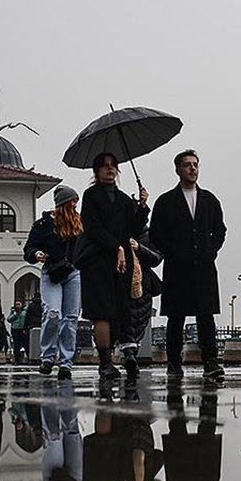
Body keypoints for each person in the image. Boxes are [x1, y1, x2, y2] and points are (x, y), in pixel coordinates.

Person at [149, 149, 228, 382]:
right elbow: (156, 233)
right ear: (177, 169)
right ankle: (173, 362)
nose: (192, 168)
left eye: (195, 164)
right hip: (177, 267)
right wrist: (172, 252)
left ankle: (211, 362)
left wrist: (211, 249)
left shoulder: (209, 200)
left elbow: (220, 230)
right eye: (187, 165)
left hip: (204, 266)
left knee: (206, 316)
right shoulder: (165, 201)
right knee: (176, 316)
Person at [74, 153, 150, 381]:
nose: (110, 170)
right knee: (102, 313)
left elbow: (134, 229)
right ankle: (105, 362)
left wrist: (143, 206)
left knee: (122, 309)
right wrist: (116, 246)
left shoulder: (125, 199)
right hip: (97, 260)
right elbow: (93, 227)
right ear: (96, 171)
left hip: (121, 263)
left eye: (113, 166)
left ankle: (128, 354)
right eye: (104, 166)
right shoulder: (91, 196)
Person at [25, 185, 84, 380]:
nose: (75, 205)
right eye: (71, 202)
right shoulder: (42, 225)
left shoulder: (80, 223)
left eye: (76, 201)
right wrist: (36, 254)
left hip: (74, 273)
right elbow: (29, 249)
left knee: (71, 317)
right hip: (51, 272)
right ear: (62, 204)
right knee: (52, 313)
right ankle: (48, 357)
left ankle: (66, 362)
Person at [115, 223, 163, 382]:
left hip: (144, 284)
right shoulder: (117, 232)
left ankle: (131, 353)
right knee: (125, 320)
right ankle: (129, 353)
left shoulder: (151, 235)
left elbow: (157, 258)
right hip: (122, 282)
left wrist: (139, 248)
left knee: (140, 321)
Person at [6, 300, 28, 365]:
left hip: (23, 329)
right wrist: (15, 315)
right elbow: (9, 319)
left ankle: (27, 358)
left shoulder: (25, 311)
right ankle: (17, 360)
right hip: (15, 329)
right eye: (16, 304)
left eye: (19, 304)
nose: (18, 306)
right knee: (16, 345)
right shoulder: (13, 311)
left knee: (25, 344)